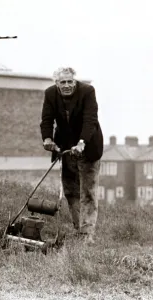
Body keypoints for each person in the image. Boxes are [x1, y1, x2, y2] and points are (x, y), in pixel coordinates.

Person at [40, 67, 103, 244]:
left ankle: (88, 233)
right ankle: (79, 228)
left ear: (75, 82)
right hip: (66, 148)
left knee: (88, 192)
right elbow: (46, 119)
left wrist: (82, 142)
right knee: (70, 190)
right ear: (56, 83)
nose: (67, 85)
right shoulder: (50, 94)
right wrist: (47, 139)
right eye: (63, 82)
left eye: (70, 82)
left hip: (88, 146)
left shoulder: (87, 91)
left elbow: (90, 119)